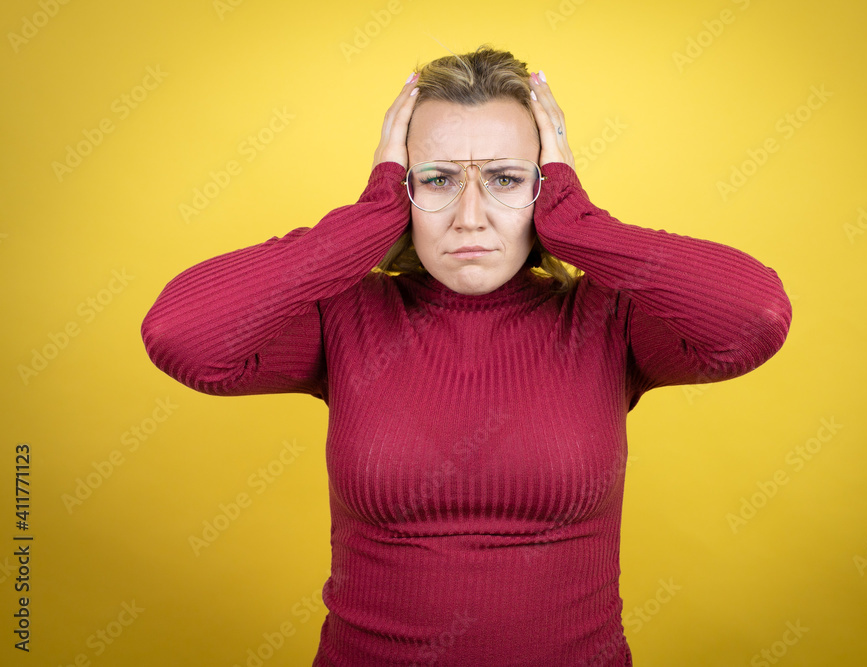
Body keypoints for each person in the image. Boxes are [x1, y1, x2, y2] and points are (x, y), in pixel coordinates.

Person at [141, 45, 792, 667]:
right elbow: (181, 335)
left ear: (549, 185)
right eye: (439, 179)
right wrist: (369, 215)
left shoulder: (605, 318)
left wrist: (581, 221)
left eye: (507, 179)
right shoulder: (347, 315)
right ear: (403, 188)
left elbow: (755, 316)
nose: (470, 215)